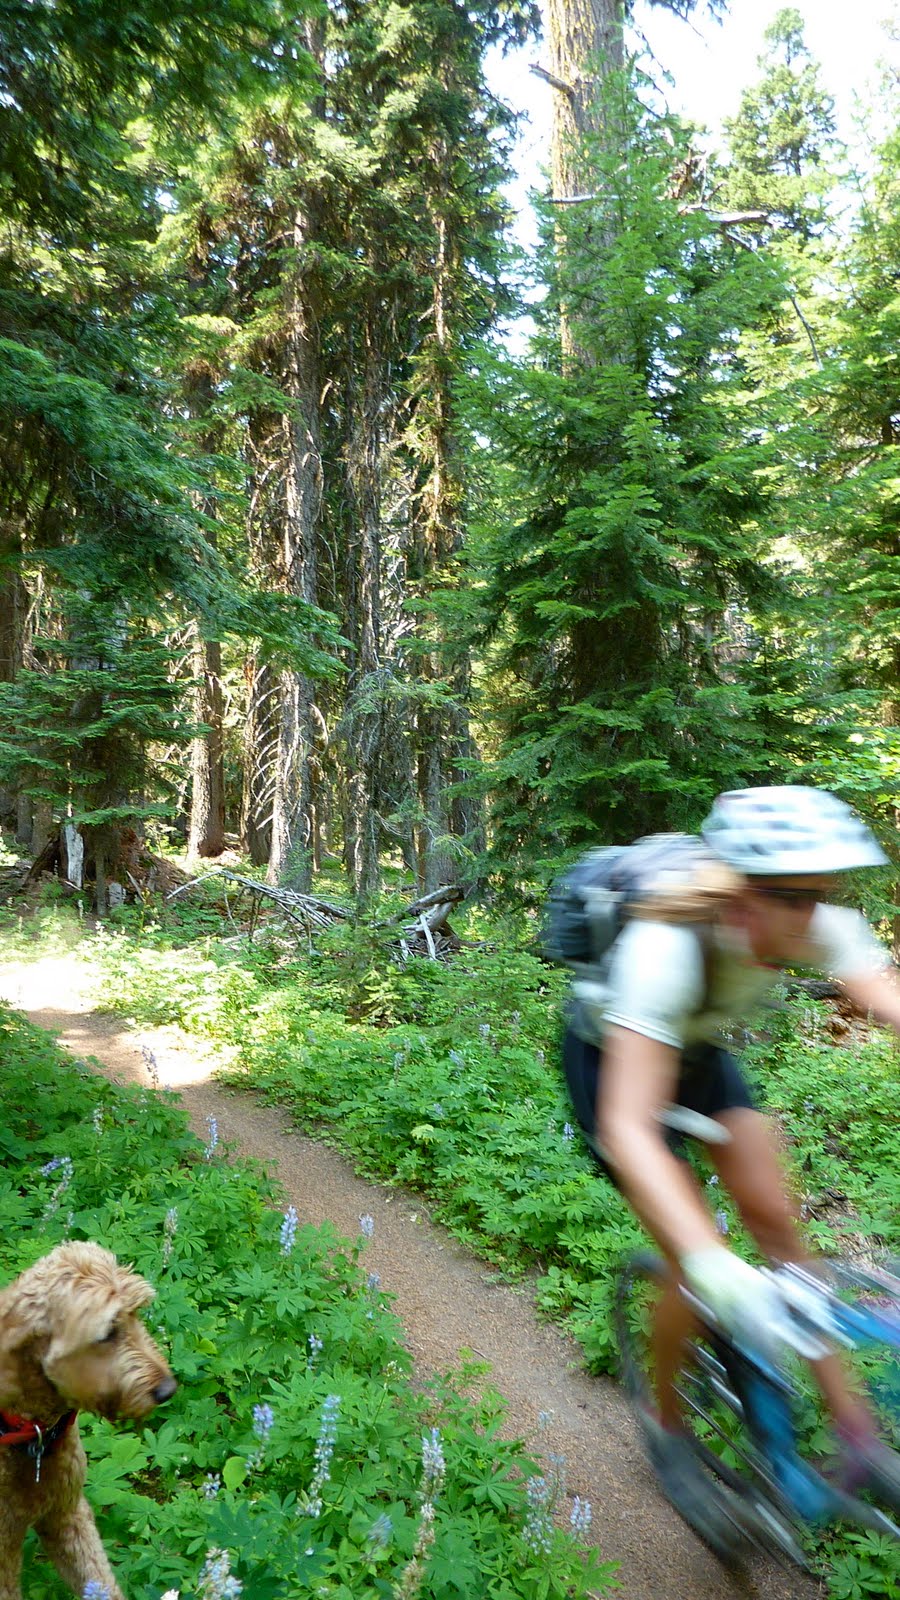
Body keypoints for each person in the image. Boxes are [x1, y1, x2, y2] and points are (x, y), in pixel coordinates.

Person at [561, 785, 900, 1555]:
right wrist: (715, 1264)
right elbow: (628, 1125)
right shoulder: (662, 947)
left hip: (701, 1053)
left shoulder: (809, 919)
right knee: (692, 1255)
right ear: (741, 893)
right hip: (613, 1066)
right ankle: (672, 1429)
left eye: (826, 895)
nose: (818, 916)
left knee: (781, 1223)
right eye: (799, 898)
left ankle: (856, 1435)